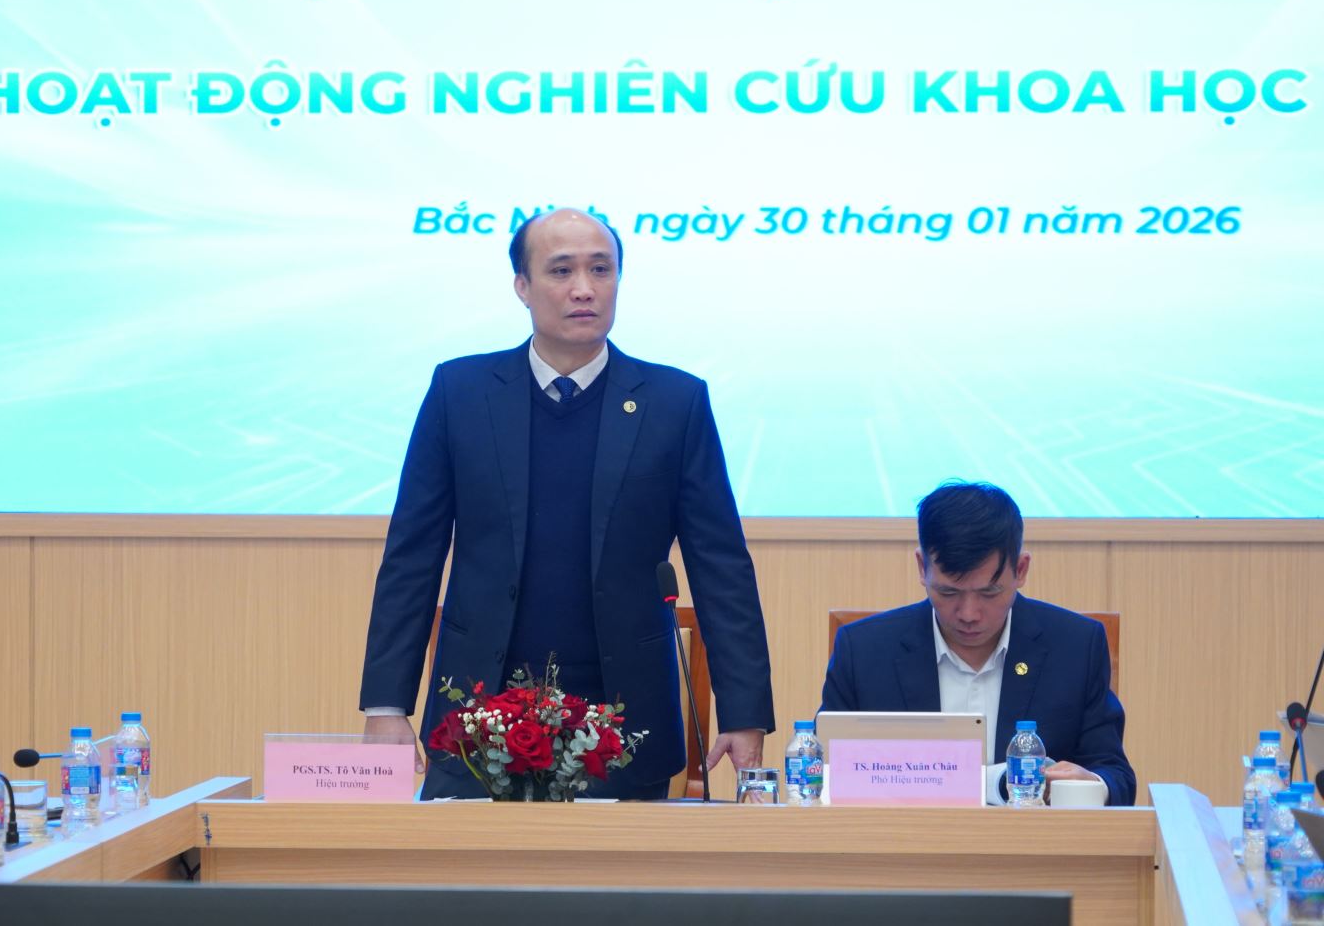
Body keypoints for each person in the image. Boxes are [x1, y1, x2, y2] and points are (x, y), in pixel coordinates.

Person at [359, 207, 775, 799]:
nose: (584, 288)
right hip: (477, 715)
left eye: (601, 269)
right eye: (561, 271)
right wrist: (386, 705)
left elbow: (721, 565)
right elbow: (412, 558)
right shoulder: (461, 392)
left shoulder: (674, 401)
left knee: (625, 865)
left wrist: (744, 712)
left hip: (626, 721)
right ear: (522, 286)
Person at [821, 481, 1135, 806]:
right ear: (922, 567)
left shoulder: (1075, 646)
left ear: (1021, 569)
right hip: (903, 836)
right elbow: (825, 776)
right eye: (948, 592)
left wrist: (1090, 785)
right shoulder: (864, 651)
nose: (969, 614)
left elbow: (1116, 776)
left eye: (989, 592)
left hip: (1032, 837)